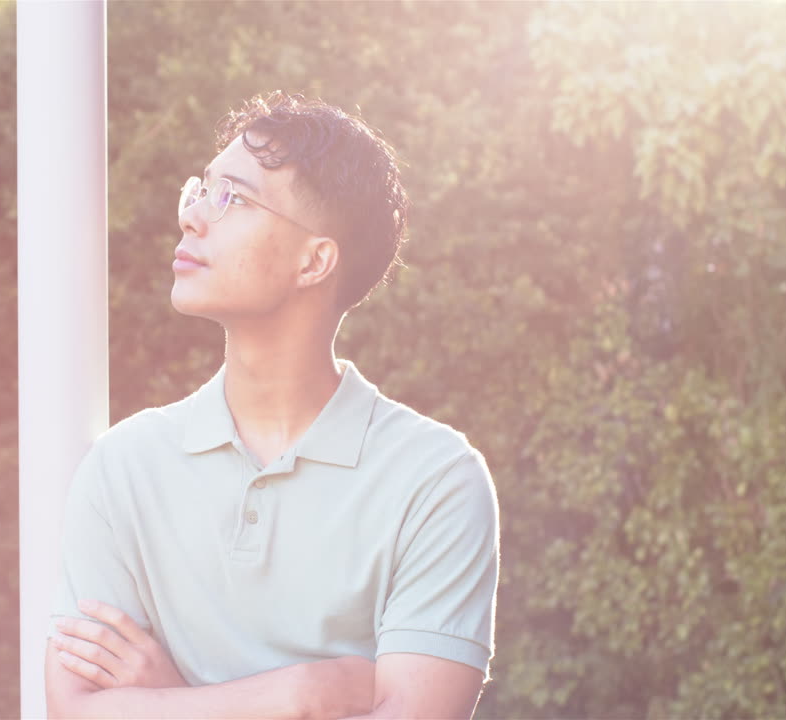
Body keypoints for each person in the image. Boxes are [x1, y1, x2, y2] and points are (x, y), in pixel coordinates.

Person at [45, 91, 499, 719]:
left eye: (232, 198)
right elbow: (75, 714)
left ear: (315, 261)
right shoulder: (121, 468)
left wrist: (169, 698)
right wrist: (300, 697)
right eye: (200, 191)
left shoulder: (435, 480)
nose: (194, 217)